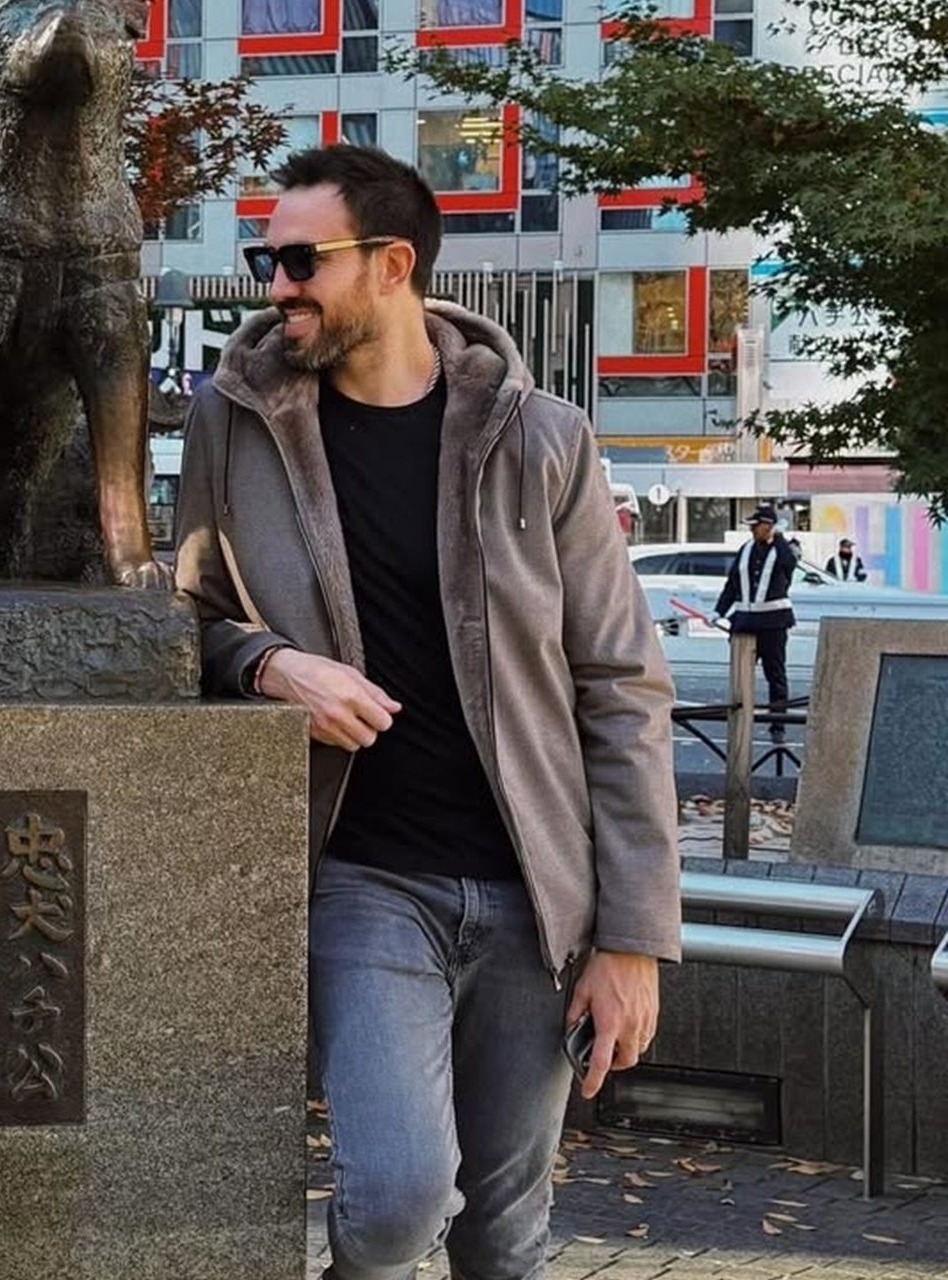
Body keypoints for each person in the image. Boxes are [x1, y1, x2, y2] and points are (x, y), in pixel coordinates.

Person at [174, 145, 680, 1280]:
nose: (276, 285)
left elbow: (621, 684)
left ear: (393, 263)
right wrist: (267, 663)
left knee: (506, 1229)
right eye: (267, 258)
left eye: (302, 259)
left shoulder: (541, 436)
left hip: (537, 893)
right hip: (361, 876)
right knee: (400, 1195)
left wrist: (634, 937)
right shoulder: (233, 419)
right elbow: (187, 613)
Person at [715, 506, 798, 745]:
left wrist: (779, 536)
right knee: (740, 674)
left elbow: (789, 563)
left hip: (774, 622)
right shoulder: (746, 549)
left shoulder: (784, 549)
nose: (752, 530)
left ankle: (778, 724)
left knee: (775, 675)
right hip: (744, 621)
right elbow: (732, 584)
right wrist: (719, 610)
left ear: (768, 526)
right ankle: (739, 719)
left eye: (756, 526)